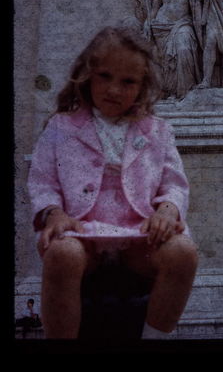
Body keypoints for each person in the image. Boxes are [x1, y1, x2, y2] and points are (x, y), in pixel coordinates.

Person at [27, 26, 198, 339]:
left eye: (128, 82)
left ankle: (154, 335)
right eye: (105, 76)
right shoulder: (60, 127)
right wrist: (54, 214)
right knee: (62, 255)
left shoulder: (158, 131)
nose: (114, 90)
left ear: (142, 86)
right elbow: (43, 182)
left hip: (139, 233)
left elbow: (174, 183)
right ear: (86, 74)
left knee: (183, 253)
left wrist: (168, 211)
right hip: (82, 231)